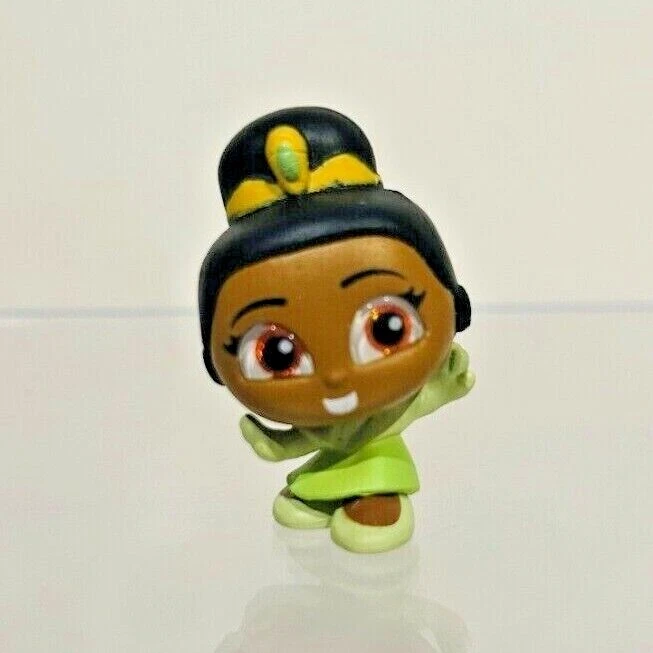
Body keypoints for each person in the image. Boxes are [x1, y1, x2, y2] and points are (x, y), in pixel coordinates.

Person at [199, 107, 474, 553]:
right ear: (214, 363)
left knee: (370, 484)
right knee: (303, 498)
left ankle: (381, 500)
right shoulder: (327, 425)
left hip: (380, 461)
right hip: (325, 463)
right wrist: (277, 445)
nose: (336, 377)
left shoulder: (391, 412)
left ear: (457, 307)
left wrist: (447, 385)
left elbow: (426, 401)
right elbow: (305, 438)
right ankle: (323, 496)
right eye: (278, 353)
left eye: (386, 329)